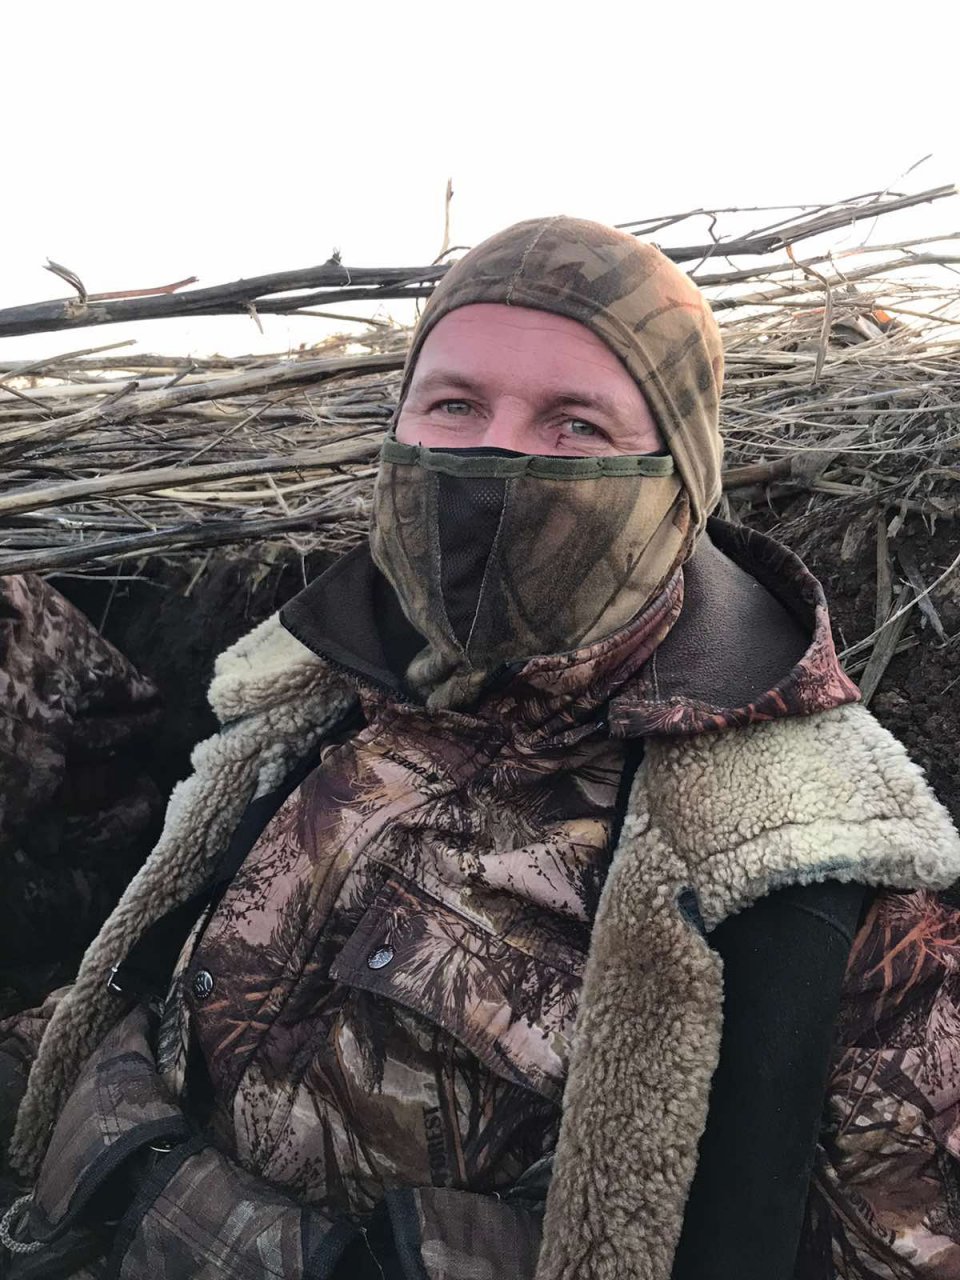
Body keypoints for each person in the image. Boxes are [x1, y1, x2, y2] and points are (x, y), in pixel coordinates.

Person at [1, 216, 958, 1280]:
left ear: (681, 478)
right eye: (454, 405)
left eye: (576, 424)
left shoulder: (808, 876)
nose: (497, 457)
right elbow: (138, 994)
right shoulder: (305, 702)